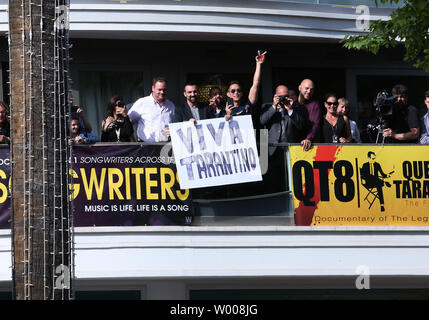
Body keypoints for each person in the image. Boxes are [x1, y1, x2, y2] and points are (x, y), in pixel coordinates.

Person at [260, 85, 308, 156]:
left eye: (285, 96)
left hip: (290, 149)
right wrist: (274, 106)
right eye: (280, 96)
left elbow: (301, 125)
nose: (283, 99)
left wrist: (290, 110)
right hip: (272, 149)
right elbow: (262, 121)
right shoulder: (267, 107)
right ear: (275, 96)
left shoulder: (295, 108)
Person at [219, 51, 266, 119]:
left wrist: (258, 64)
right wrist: (227, 115)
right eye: (233, 91)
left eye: (239, 90)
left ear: (242, 93)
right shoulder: (224, 111)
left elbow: (255, 84)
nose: (236, 93)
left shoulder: (247, 106)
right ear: (228, 94)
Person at [128, 77, 175, 142]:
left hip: (165, 147)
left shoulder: (170, 105)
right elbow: (128, 122)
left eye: (164, 90)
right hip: (146, 146)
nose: (162, 92)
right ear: (153, 88)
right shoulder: (142, 103)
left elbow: (172, 125)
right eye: (159, 90)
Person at [297, 79, 321, 151]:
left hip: (307, 145)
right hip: (290, 144)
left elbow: (315, 125)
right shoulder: (292, 104)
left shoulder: (314, 105)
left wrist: (308, 138)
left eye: (311, 89)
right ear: (300, 88)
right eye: (306, 88)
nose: (309, 91)